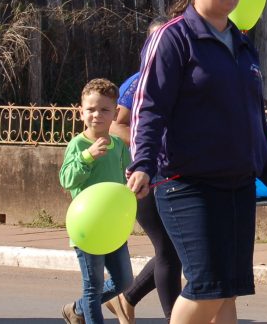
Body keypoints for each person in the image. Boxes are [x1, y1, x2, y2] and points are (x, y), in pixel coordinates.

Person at [126, 0, 267, 324]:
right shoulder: (173, 38)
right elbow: (149, 107)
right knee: (206, 286)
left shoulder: (242, 44)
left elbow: (255, 122)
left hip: (237, 185)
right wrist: (142, 163)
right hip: (186, 183)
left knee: (227, 289)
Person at [105, 17, 182, 322]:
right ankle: (174, 317)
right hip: (146, 177)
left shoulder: (182, 77)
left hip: (176, 175)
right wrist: (150, 148)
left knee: (173, 250)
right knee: (168, 250)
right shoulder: (138, 82)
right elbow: (116, 125)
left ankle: (126, 299)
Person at [59, 79, 134, 324]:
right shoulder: (78, 144)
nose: (97, 115)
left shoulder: (118, 146)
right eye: (91, 109)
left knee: (124, 281)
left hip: (113, 228)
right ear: (81, 112)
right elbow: (66, 179)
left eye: (104, 109)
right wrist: (86, 157)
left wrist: (135, 186)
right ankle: (86, 310)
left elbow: (126, 176)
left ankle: (77, 308)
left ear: (115, 114)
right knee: (93, 286)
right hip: (87, 228)